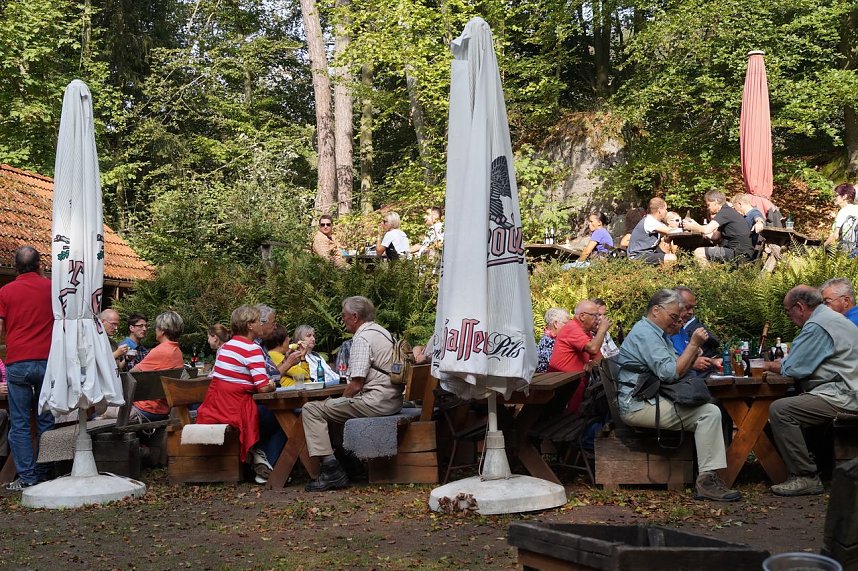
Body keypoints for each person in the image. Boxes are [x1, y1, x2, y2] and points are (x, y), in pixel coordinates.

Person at [616, 289, 740, 502]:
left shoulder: (655, 333)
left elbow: (676, 365)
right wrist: (692, 345)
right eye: (673, 317)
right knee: (708, 413)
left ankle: (708, 477)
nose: (675, 322)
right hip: (637, 405)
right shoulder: (646, 334)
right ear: (656, 310)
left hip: (647, 398)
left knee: (710, 407)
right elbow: (671, 373)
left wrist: (692, 352)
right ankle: (707, 483)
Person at [762, 285, 858, 496]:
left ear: (800, 307)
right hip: (846, 389)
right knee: (796, 400)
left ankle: (805, 476)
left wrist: (768, 365)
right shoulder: (831, 319)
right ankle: (814, 466)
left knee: (782, 410)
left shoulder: (818, 325)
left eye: (788, 311)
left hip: (845, 394)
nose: (788, 317)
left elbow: (794, 368)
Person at [302, 296, 403, 491]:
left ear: (355, 316)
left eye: (344, 316)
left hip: (377, 402)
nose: (343, 320)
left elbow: (356, 385)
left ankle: (332, 470)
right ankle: (349, 461)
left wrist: (337, 401)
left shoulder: (362, 339)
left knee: (312, 409)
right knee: (335, 408)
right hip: (393, 400)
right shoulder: (382, 332)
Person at [196, 305, 284, 485]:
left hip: (215, 408)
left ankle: (261, 459)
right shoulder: (251, 349)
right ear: (250, 325)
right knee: (286, 416)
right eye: (259, 321)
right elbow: (262, 387)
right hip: (237, 411)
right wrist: (272, 384)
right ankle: (267, 461)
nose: (261, 324)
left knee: (277, 416)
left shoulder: (226, 347)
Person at [0, 246, 55, 490]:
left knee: (20, 422)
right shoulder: (52, 288)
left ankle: (28, 478)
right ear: (39, 265)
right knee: (45, 418)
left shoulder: (5, 291)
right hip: (47, 361)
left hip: (17, 362)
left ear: (15, 267)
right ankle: (44, 472)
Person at [548, 300, 611, 414]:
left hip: (574, 385)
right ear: (582, 316)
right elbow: (593, 348)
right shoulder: (572, 329)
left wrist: (592, 363)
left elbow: (599, 355)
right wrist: (602, 329)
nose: (598, 319)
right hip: (562, 388)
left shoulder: (585, 332)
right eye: (595, 316)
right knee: (568, 420)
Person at [130, 311, 185, 421]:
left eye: (157, 327)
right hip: (164, 408)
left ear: (163, 331)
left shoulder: (160, 351)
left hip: (146, 409)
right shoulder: (177, 351)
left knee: (99, 414)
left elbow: (131, 374)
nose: (155, 330)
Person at [683, 190, 753, 266]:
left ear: (716, 202)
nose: (708, 208)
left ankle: (707, 277)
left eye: (708, 205)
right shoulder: (727, 212)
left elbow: (707, 229)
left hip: (738, 253)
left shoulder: (725, 212)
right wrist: (699, 230)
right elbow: (715, 237)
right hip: (742, 251)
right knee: (705, 251)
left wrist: (693, 226)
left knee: (699, 252)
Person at [669, 286, 721, 373]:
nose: (691, 312)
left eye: (693, 308)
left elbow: (683, 356)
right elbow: (667, 367)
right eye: (687, 307)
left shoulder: (680, 330)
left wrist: (712, 361)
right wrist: (692, 363)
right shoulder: (662, 331)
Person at [627, 198, 678, 265]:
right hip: (637, 256)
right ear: (660, 210)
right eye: (665, 209)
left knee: (666, 245)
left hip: (648, 252)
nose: (666, 212)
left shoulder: (654, 222)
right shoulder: (649, 221)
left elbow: (667, 234)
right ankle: (666, 275)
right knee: (671, 258)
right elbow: (670, 231)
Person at [823, 183, 858, 255]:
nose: (835, 198)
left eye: (836, 195)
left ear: (844, 196)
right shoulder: (856, 209)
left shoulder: (843, 211)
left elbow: (835, 236)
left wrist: (821, 248)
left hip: (846, 252)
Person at [536, 308, 570, 373]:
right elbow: (555, 365)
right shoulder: (548, 341)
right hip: (549, 380)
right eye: (566, 323)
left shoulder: (552, 339)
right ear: (556, 324)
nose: (568, 327)